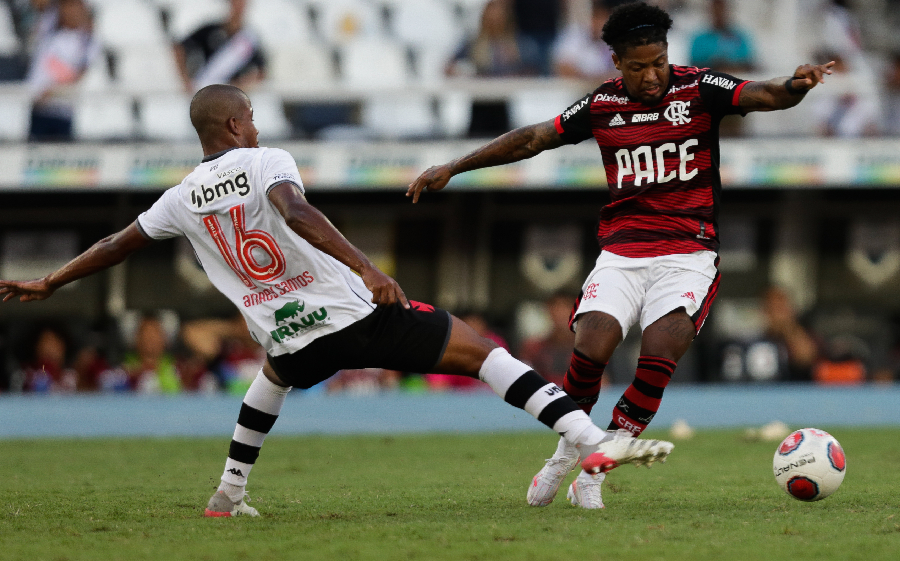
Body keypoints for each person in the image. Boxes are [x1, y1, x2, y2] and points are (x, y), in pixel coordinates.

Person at [0, 83, 673, 517]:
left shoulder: (179, 197)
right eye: (253, 120)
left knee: (272, 378)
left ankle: (229, 492)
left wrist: (51, 281)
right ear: (235, 123)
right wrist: (368, 268)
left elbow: (118, 243)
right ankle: (588, 438)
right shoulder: (266, 162)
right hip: (353, 312)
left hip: (290, 334)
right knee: (479, 351)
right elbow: (295, 212)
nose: (257, 129)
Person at [407, 2, 834, 509]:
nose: (652, 75)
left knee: (662, 345)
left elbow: (761, 94)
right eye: (639, 67)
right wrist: (455, 165)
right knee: (591, 346)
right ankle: (568, 452)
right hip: (623, 251)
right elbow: (533, 139)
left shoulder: (698, 88)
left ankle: (597, 468)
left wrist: (796, 85)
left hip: (688, 250)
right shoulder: (601, 105)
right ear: (616, 62)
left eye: (659, 61)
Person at [26, 0, 98, 141]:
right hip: (40, 109)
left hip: (62, 111)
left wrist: (52, 91)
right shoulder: (51, 35)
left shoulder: (86, 41)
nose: (69, 12)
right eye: (66, 8)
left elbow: (81, 72)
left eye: (74, 8)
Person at [173, 0, 265, 93]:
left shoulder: (249, 39)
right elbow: (179, 47)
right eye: (235, 3)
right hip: (203, 88)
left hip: (231, 95)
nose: (238, 8)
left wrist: (242, 83)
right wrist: (185, 79)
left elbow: (261, 71)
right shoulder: (210, 30)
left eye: (241, 5)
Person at [688, 0, 755, 74]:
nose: (719, 14)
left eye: (721, 10)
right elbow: (694, 67)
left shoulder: (740, 37)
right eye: (715, 10)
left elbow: (749, 64)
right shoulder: (700, 39)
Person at [552, 2, 617, 82]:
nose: (601, 24)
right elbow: (563, 68)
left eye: (605, 20)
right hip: (576, 88)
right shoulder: (575, 36)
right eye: (597, 19)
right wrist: (592, 79)